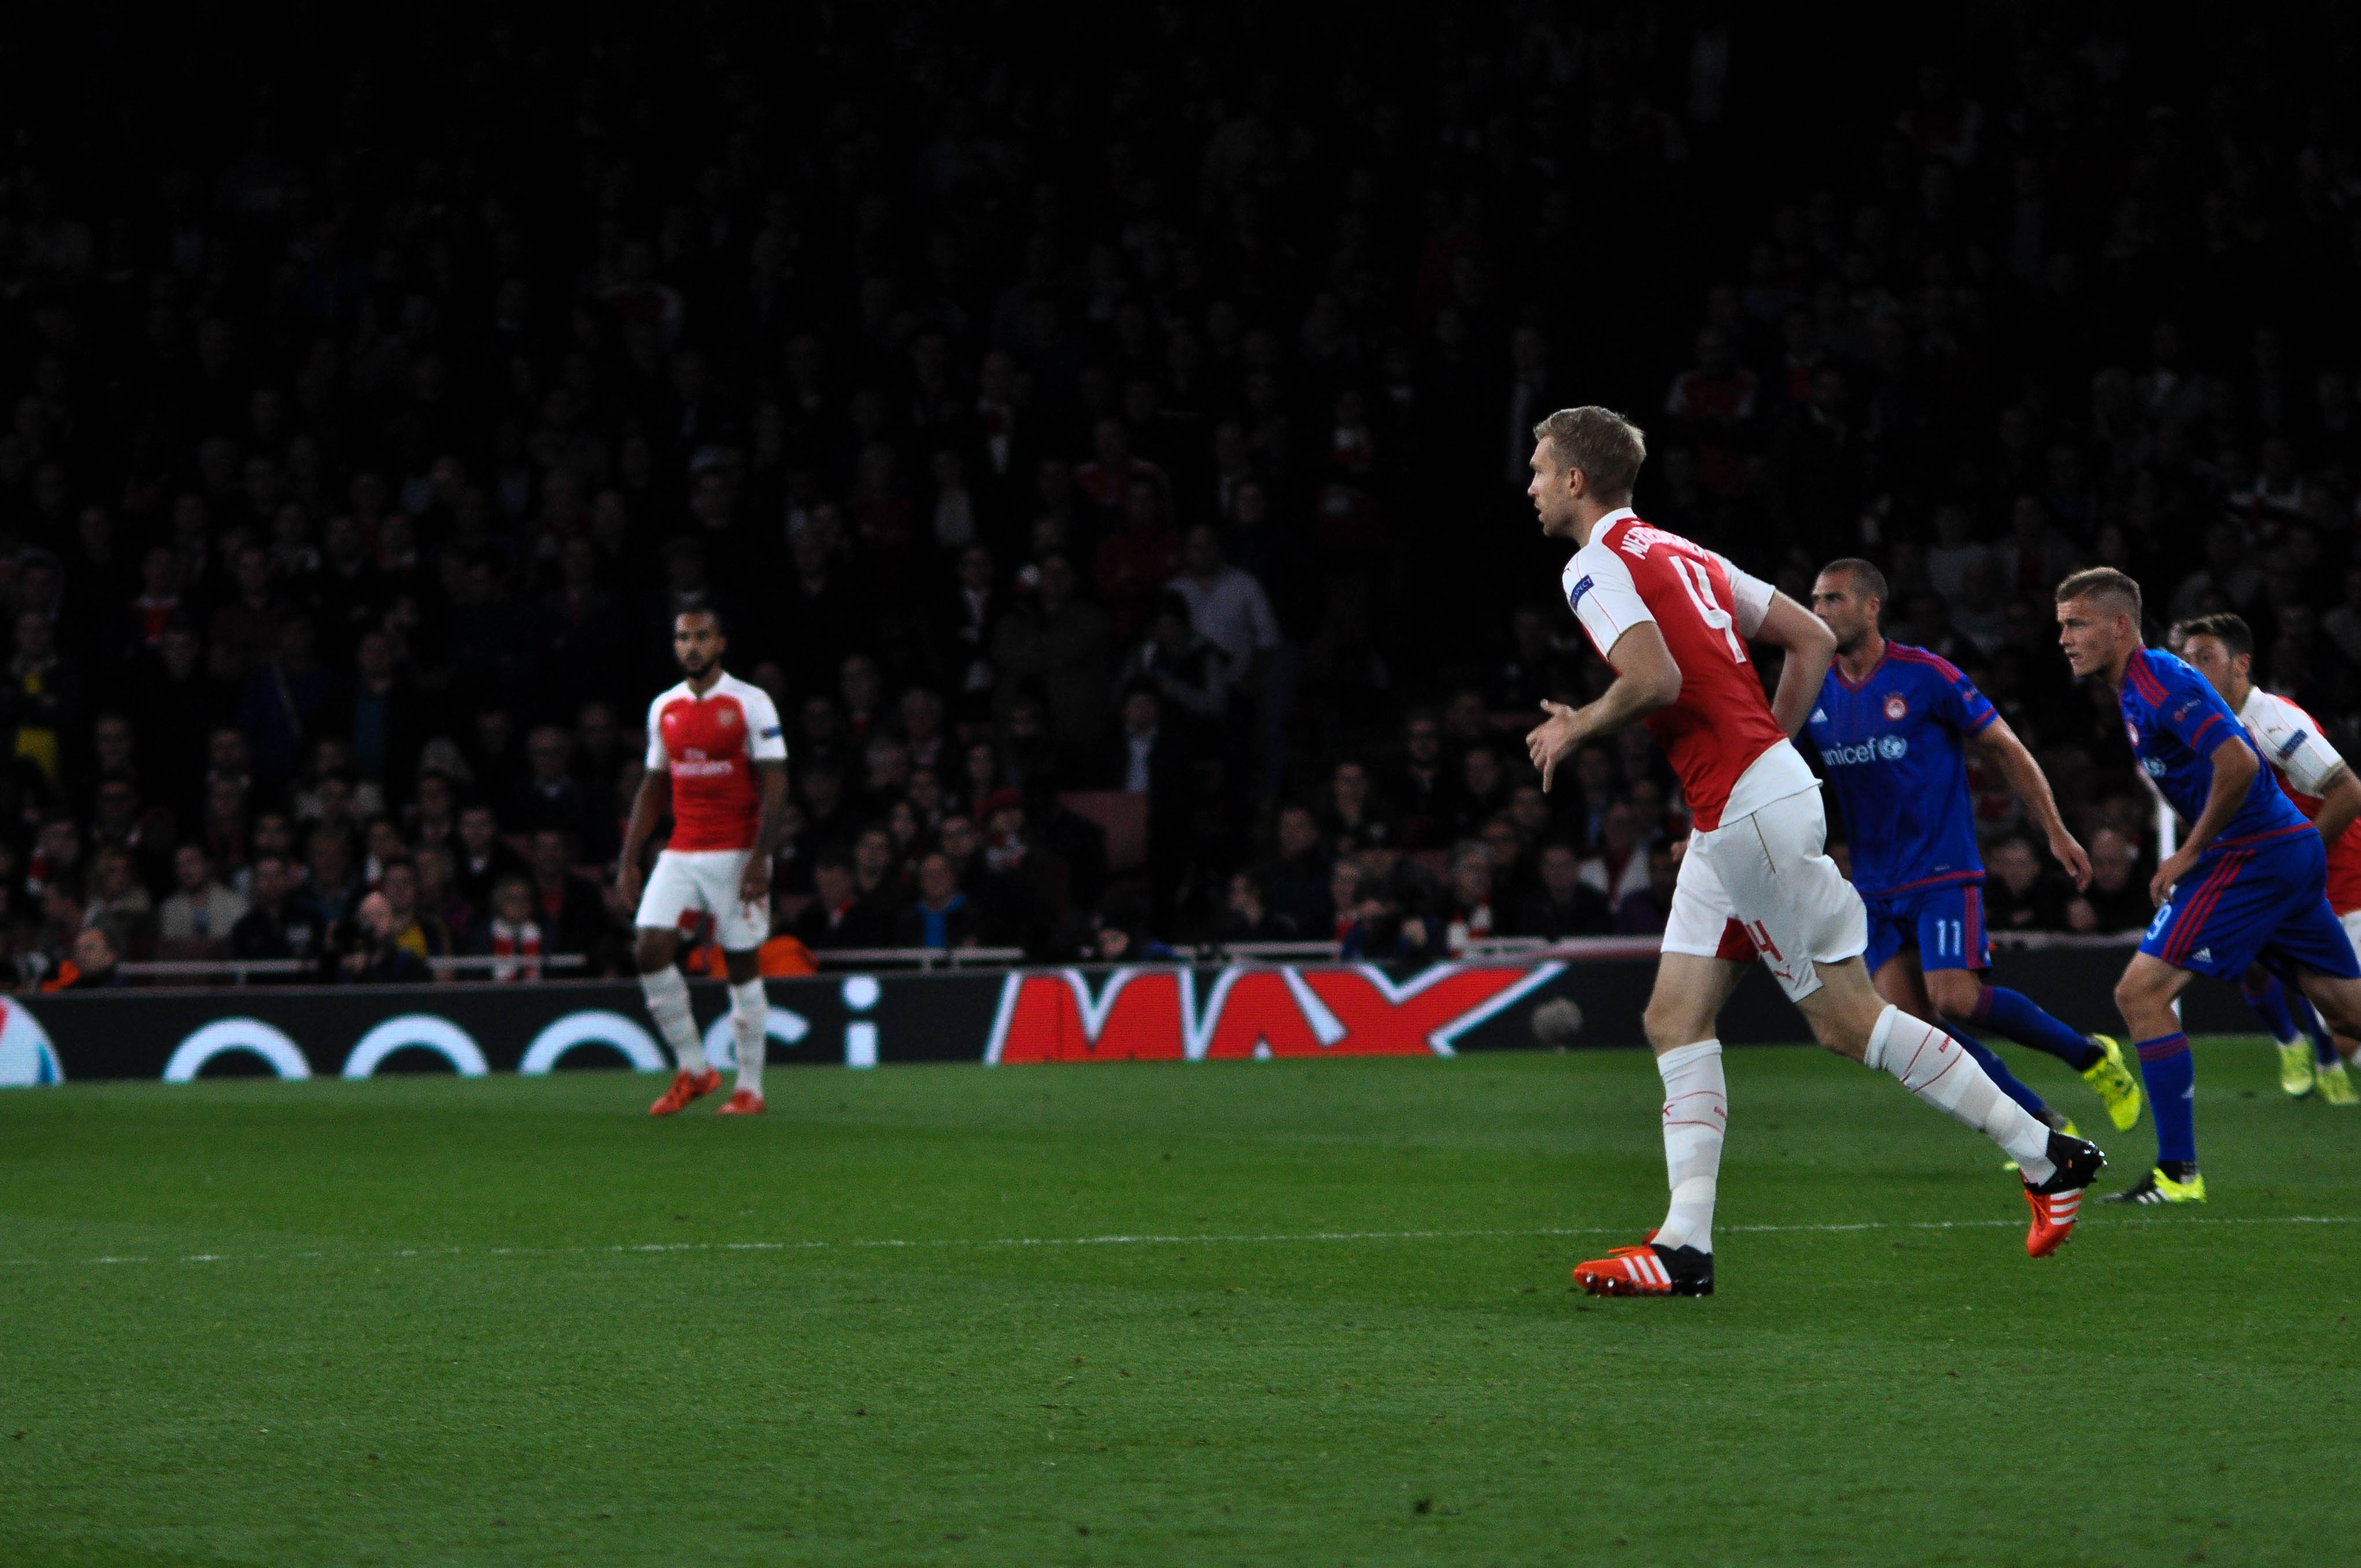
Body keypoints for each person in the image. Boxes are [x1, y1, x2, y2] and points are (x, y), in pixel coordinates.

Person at [1518, 406, 2100, 1297]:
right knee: (1673, 1017)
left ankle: (2043, 1153)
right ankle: (1682, 1247)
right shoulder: (1682, 552)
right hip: (1737, 810)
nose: (1528, 485)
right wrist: (1766, 753)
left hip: (1747, 810)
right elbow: (1812, 639)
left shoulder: (1590, 566)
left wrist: (1577, 726)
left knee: (1846, 1021)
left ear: (1573, 480)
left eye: (1536, 469)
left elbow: (1654, 679)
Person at [1806, 558, 2141, 1140]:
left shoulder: (1924, 675)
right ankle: (2038, 1124)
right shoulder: (1813, 687)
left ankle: (2090, 1056)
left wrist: (2054, 830)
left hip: (1940, 870)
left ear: (1871, 607)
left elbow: (2005, 746)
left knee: (1956, 998)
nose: (1819, 611)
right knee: (1909, 1030)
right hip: (1874, 884)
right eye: (1815, 601)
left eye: (1833, 599)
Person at [2055, 568, 2361, 1204]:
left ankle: (2178, 1174)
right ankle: (2179, 1173)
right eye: (2062, 626)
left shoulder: (2158, 680)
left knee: (2140, 993)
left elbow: (2239, 763)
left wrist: (2190, 853)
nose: (2064, 638)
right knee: (2345, 1012)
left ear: (2120, 625)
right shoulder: (2134, 689)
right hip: (2281, 851)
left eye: (2076, 624)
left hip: (2251, 854)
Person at [2174, 612, 2361, 1105]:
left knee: (2347, 1030)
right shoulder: (2209, 728)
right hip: (2281, 882)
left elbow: (2348, 793)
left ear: (2240, 665)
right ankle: (2291, 1044)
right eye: (2185, 661)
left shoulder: (2274, 720)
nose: (2191, 671)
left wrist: (2297, 858)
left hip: (2341, 884)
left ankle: (2319, 1057)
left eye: (2204, 658)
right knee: (2259, 967)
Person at [616, 609, 789, 1117]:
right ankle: (695, 1070)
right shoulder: (664, 707)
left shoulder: (750, 702)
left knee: (740, 963)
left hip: (737, 852)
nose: (691, 646)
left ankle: (750, 1089)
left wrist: (762, 855)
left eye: (701, 637)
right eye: (682, 638)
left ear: (721, 643)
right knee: (649, 948)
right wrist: (630, 857)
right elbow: (654, 785)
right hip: (683, 849)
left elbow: (776, 780)